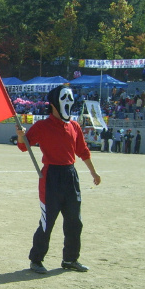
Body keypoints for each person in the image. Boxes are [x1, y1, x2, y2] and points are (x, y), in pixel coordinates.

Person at [15, 85, 101, 274]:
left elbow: (83, 151)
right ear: (54, 103)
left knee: (74, 221)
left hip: (70, 176)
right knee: (48, 221)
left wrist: (93, 173)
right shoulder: (42, 126)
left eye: (70, 99)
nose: (69, 103)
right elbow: (24, 146)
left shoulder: (74, 126)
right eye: (64, 99)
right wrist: (21, 136)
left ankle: (70, 259)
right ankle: (36, 260)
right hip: (51, 177)